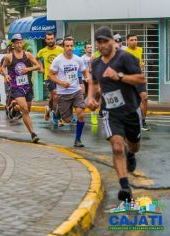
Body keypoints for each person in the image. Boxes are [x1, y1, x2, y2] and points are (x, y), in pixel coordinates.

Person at [88, 26, 145, 202]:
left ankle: (131, 154)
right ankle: (125, 187)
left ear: (112, 41)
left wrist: (119, 76)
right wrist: (91, 98)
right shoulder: (95, 63)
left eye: (106, 41)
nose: (103, 44)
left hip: (129, 109)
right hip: (109, 112)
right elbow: (94, 82)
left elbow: (141, 79)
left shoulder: (126, 58)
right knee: (117, 146)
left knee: (133, 145)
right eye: (99, 41)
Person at [0, 34, 40, 142]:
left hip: (27, 86)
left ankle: (13, 108)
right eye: (16, 42)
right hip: (16, 86)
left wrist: (28, 69)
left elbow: (38, 66)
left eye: (20, 42)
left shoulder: (28, 55)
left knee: (27, 109)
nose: (19, 44)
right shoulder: (9, 57)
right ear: (13, 44)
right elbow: (2, 67)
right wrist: (6, 75)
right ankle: (33, 133)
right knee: (25, 109)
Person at [49, 37, 88, 147]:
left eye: (71, 45)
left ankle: (78, 139)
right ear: (63, 47)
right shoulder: (58, 60)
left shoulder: (78, 59)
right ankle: (56, 112)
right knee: (67, 120)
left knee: (80, 114)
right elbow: (50, 75)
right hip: (63, 93)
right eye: (67, 46)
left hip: (76, 91)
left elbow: (84, 71)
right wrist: (60, 83)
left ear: (73, 46)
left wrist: (87, 79)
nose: (70, 48)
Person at [36, 32, 64, 123]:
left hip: (60, 76)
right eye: (48, 39)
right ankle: (56, 115)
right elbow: (36, 59)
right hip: (49, 77)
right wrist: (41, 67)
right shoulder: (42, 51)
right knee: (55, 94)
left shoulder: (61, 50)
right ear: (45, 40)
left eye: (52, 39)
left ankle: (49, 108)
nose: (51, 40)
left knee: (53, 97)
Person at [125, 34, 150, 131]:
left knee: (144, 98)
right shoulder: (125, 52)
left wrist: (141, 65)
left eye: (135, 40)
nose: (134, 42)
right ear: (127, 41)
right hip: (130, 79)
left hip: (139, 78)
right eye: (132, 40)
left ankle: (143, 121)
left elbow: (140, 61)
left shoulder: (140, 50)